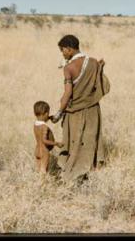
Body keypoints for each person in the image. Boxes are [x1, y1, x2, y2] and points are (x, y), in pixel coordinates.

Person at [50, 35, 110, 182]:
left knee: (74, 141)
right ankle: (90, 169)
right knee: (90, 139)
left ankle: (74, 172)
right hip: (92, 110)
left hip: (74, 112)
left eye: (63, 50)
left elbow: (68, 93)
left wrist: (59, 113)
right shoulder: (94, 62)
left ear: (70, 49)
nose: (62, 53)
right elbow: (100, 85)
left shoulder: (69, 68)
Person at [33, 101, 64, 174]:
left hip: (37, 150)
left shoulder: (35, 125)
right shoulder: (44, 127)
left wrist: (49, 118)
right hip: (44, 151)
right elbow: (44, 140)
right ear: (46, 113)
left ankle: (37, 183)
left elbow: (42, 119)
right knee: (44, 171)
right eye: (48, 113)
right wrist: (56, 143)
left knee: (39, 170)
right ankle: (43, 184)